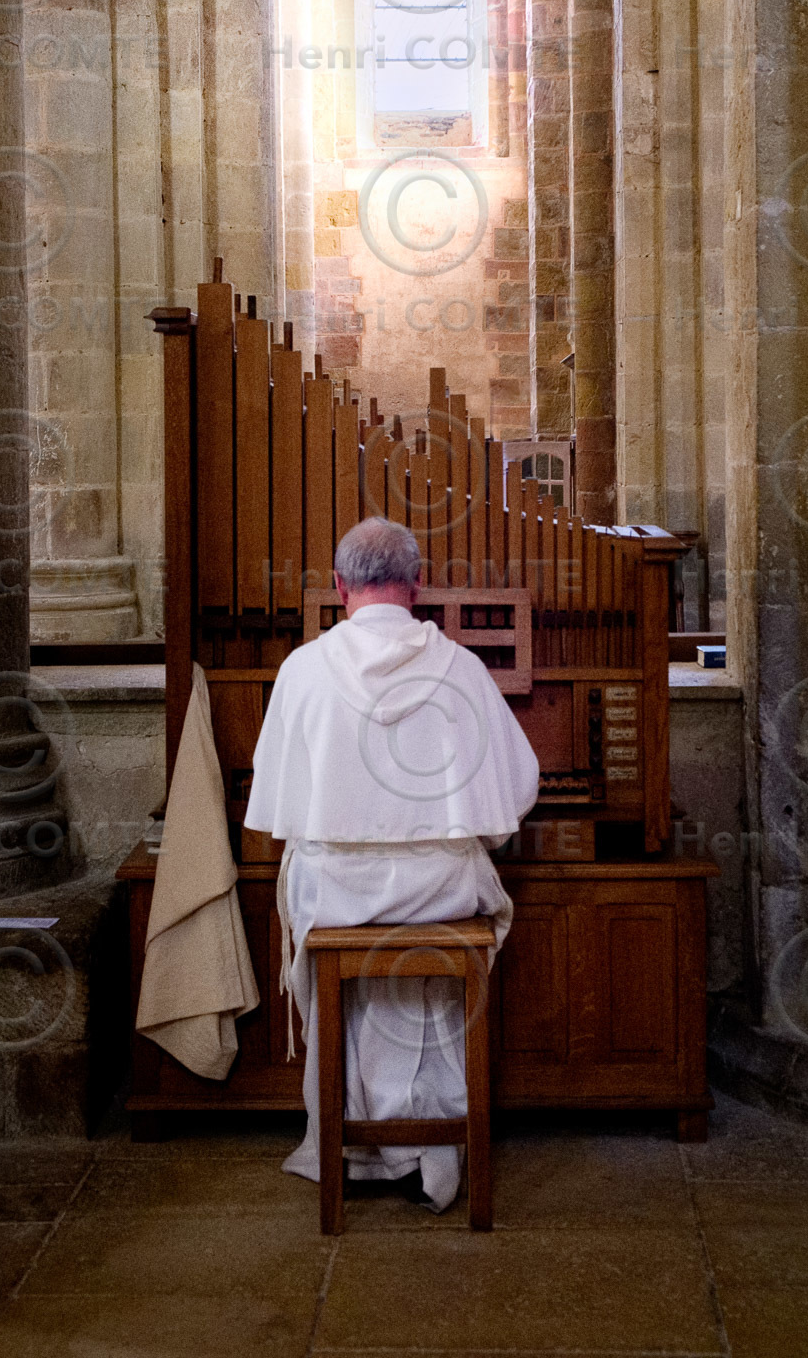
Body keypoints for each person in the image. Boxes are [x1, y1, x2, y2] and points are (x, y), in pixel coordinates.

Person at [244, 515, 539, 1211]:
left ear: (341, 587)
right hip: (439, 894)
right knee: (434, 988)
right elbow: (517, 786)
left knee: (327, 943)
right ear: (417, 585)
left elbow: (272, 800)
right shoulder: (462, 668)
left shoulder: (303, 669)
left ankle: (349, 1147)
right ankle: (431, 1156)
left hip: (337, 897)